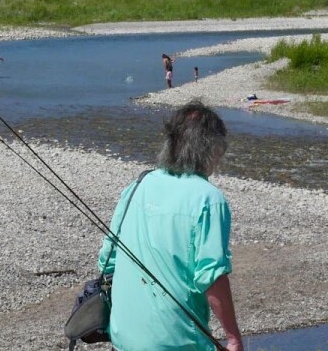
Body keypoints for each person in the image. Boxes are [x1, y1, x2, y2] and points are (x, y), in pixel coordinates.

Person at [98, 101, 242, 351]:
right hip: (178, 342)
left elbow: (107, 261)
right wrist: (233, 338)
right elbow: (211, 277)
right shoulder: (208, 199)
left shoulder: (137, 186)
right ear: (212, 148)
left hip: (123, 338)